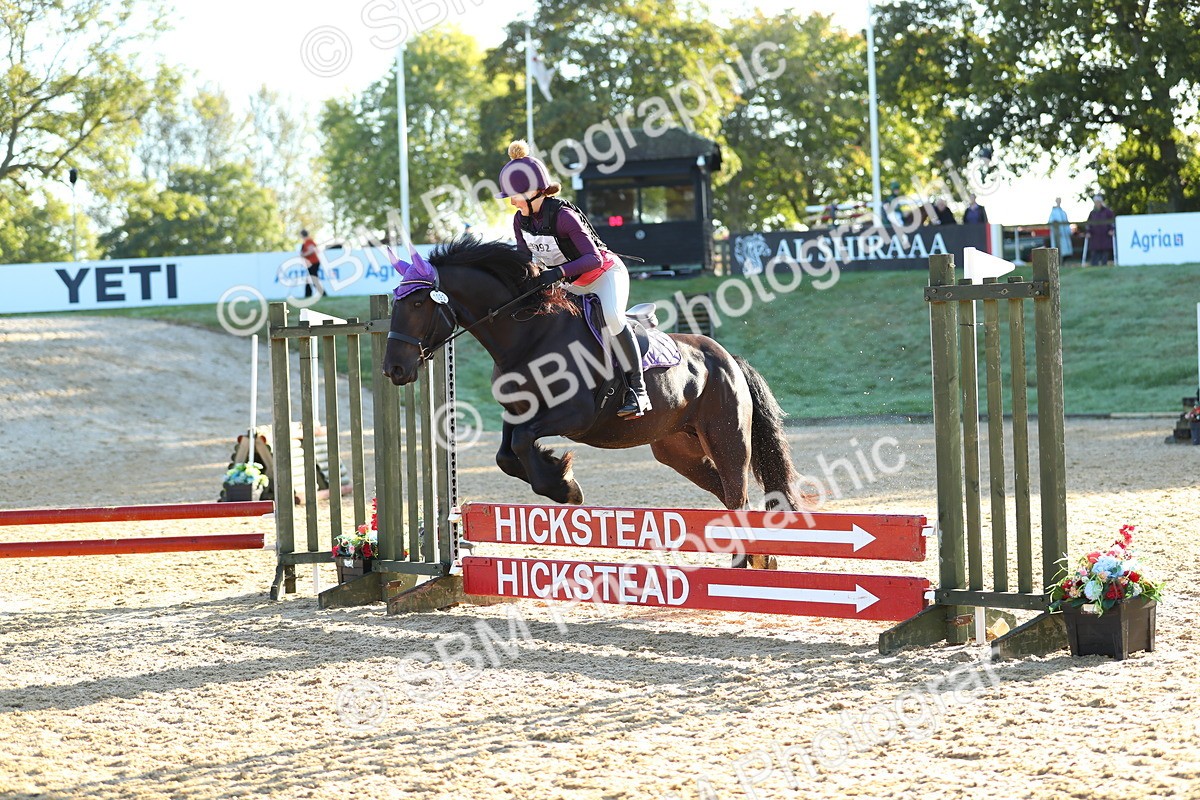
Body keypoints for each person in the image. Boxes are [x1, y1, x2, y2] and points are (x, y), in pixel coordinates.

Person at [498, 140, 651, 418]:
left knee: (613, 318)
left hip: (604, 275)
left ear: (533, 192)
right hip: (571, 283)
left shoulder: (564, 216)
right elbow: (524, 260)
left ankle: (638, 391)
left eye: (514, 195)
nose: (512, 202)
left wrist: (556, 273)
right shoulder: (520, 221)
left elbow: (593, 259)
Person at [1085, 194, 1115, 266]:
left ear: (1101, 202)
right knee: (1094, 257)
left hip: (1105, 237)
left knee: (1105, 256)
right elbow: (1088, 224)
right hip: (1095, 238)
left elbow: (1112, 222)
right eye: (1095, 202)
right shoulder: (1092, 213)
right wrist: (1088, 232)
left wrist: (1112, 229)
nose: (1097, 203)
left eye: (1098, 202)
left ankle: (1104, 266)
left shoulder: (1108, 212)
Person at [300, 229, 321, 299]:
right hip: (310, 263)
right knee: (309, 279)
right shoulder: (306, 243)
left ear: (302, 235)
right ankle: (308, 294)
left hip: (313, 263)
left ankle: (322, 293)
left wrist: (304, 254)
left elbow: (312, 250)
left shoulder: (309, 241)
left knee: (313, 279)